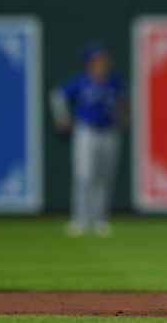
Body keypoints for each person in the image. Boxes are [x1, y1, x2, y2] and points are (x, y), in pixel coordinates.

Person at [50, 43, 125, 237]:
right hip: (86, 132)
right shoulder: (81, 82)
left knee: (104, 177)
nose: (102, 63)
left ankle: (100, 220)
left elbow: (125, 101)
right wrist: (63, 119)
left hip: (108, 132)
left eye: (103, 60)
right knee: (84, 176)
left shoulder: (113, 82)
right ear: (89, 63)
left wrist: (123, 118)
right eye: (97, 60)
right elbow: (57, 96)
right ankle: (80, 220)